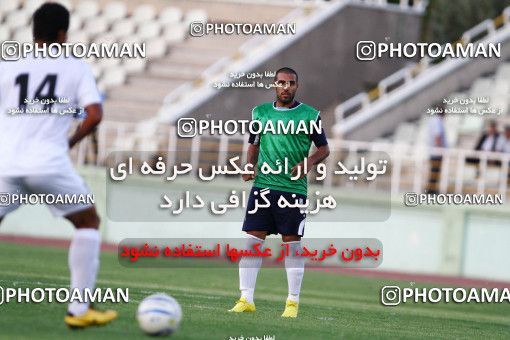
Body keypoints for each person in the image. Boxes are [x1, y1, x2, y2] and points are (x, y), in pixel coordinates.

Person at [0, 3, 117, 328]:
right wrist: (68, 142)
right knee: (88, 223)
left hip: (5, 164)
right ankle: (79, 310)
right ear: (63, 33)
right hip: (48, 164)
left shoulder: (8, 67)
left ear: (33, 31)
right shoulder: (74, 67)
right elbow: (94, 115)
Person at [228, 67, 330, 318]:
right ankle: (246, 298)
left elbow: (324, 149)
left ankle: (292, 303)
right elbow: (254, 143)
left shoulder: (310, 115)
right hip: (263, 186)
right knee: (252, 241)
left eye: (291, 83)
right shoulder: (260, 113)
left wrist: (307, 164)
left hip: (292, 189)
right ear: (274, 84)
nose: (286, 87)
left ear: (297, 86)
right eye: (282, 82)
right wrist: (249, 166)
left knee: (292, 244)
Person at [426, 104, 447, 194]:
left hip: (433, 150)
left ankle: (431, 188)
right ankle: (431, 190)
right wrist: (440, 149)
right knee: (435, 170)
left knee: (434, 170)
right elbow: (437, 136)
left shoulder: (433, 120)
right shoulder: (438, 122)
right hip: (436, 151)